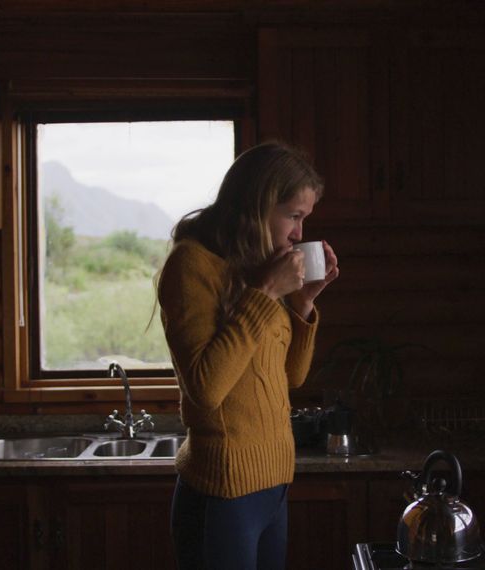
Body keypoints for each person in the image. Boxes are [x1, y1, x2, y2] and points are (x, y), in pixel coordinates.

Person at [158, 141, 339, 570]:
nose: (298, 233)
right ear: (259, 206)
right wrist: (267, 293)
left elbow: (291, 377)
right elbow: (204, 389)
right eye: (293, 216)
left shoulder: (256, 268)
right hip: (222, 491)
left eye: (304, 220)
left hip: (273, 485)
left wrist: (303, 304)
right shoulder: (191, 266)